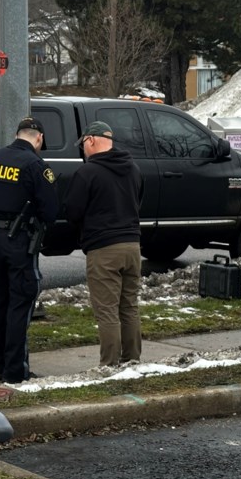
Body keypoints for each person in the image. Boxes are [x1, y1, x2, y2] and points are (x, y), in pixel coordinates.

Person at [0, 117, 59, 384]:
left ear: (17, 134)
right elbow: (50, 210)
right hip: (19, 242)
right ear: (38, 138)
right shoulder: (35, 165)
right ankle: (15, 372)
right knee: (20, 304)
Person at [65, 121, 144, 369]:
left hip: (103, 249)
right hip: (132, 246)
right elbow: (138, 200)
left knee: (107, 310)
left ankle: (109, 365)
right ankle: (132, 360)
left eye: (83, 145)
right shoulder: (133, 168)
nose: (83, 151)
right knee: (129, 307)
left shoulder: (87, 173)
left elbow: (72, 211)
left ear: (91, 140)